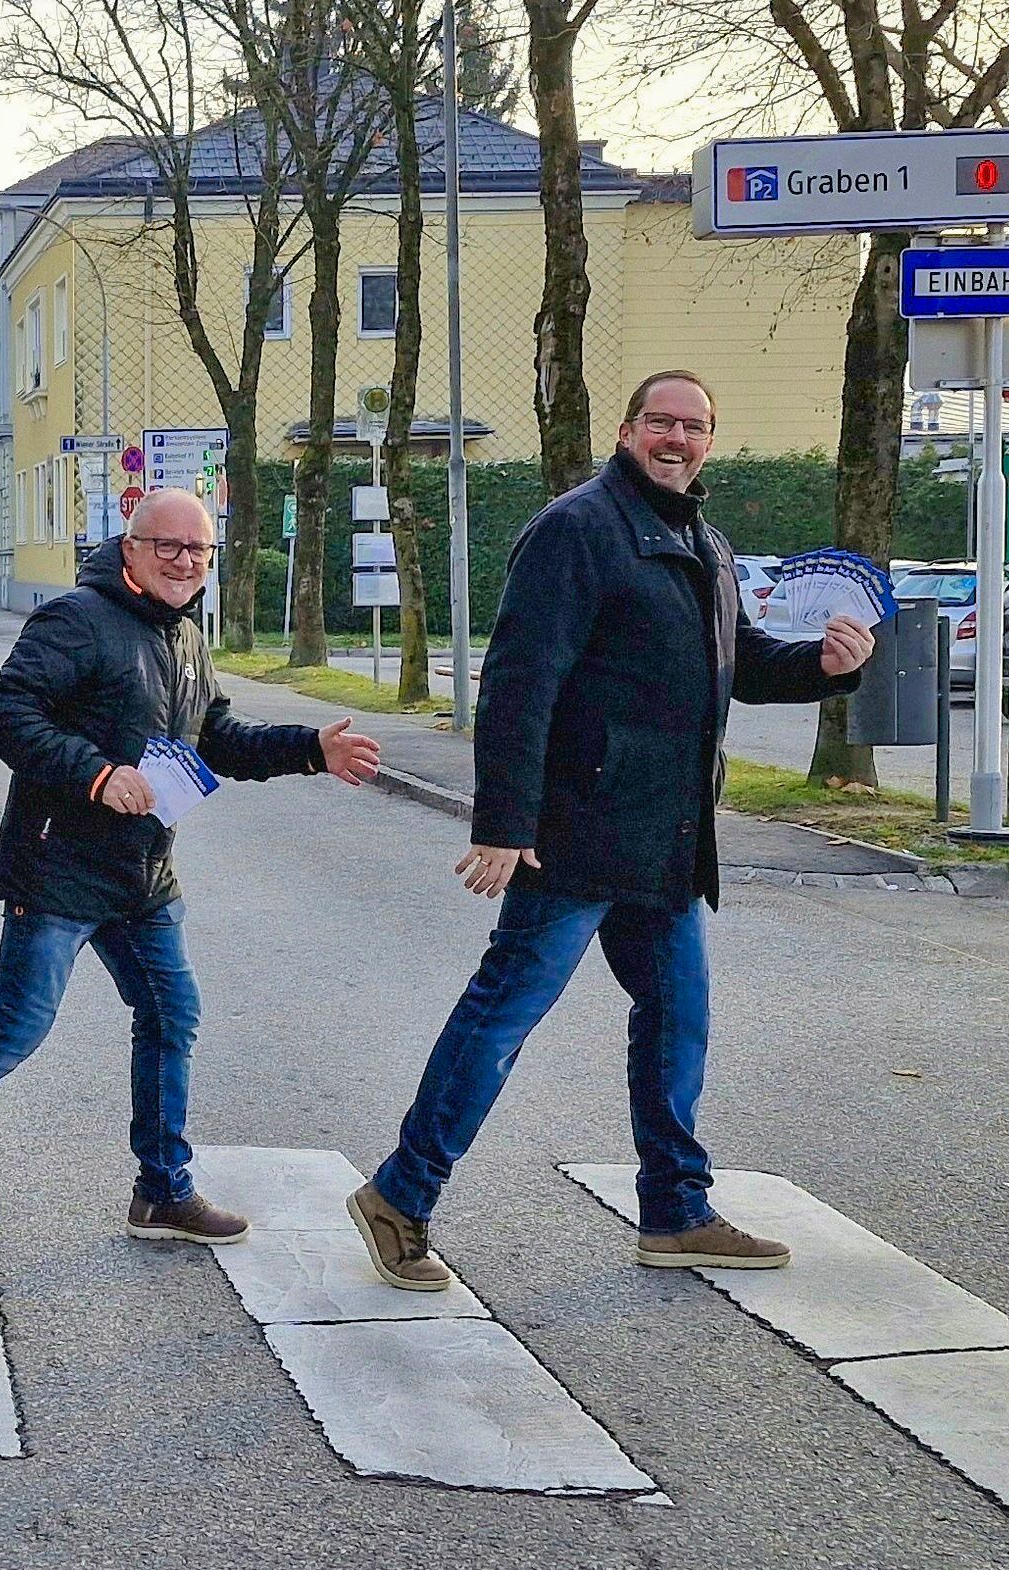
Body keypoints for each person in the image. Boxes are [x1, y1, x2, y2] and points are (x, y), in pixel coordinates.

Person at [346, 371, 877, 1289]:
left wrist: (825, 667)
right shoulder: (578, 529)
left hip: (666, 839)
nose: (677, 438)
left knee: (677, 1020)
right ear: (628, 431)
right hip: (576, 833)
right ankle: (400, 1195)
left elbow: (740, 661)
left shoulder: (703, 540)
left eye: (694, 426)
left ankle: (675, 1212)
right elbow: (520, 680)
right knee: (502, 1017)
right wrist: (505, 822)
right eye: (660, 422)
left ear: (710, 441)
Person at [0, 489, 382, 1250]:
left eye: (197, 550)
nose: (184, 562)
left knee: (173, 1015)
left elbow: (217, 738)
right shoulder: (76, 620)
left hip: (143, 874)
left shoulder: (185, 635)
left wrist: (310, 749)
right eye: (167, 546)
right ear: (131, 548)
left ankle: (163, 1192)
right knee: (16, 1027)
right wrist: (97, 774)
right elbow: (7, 715)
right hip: (60, 867)